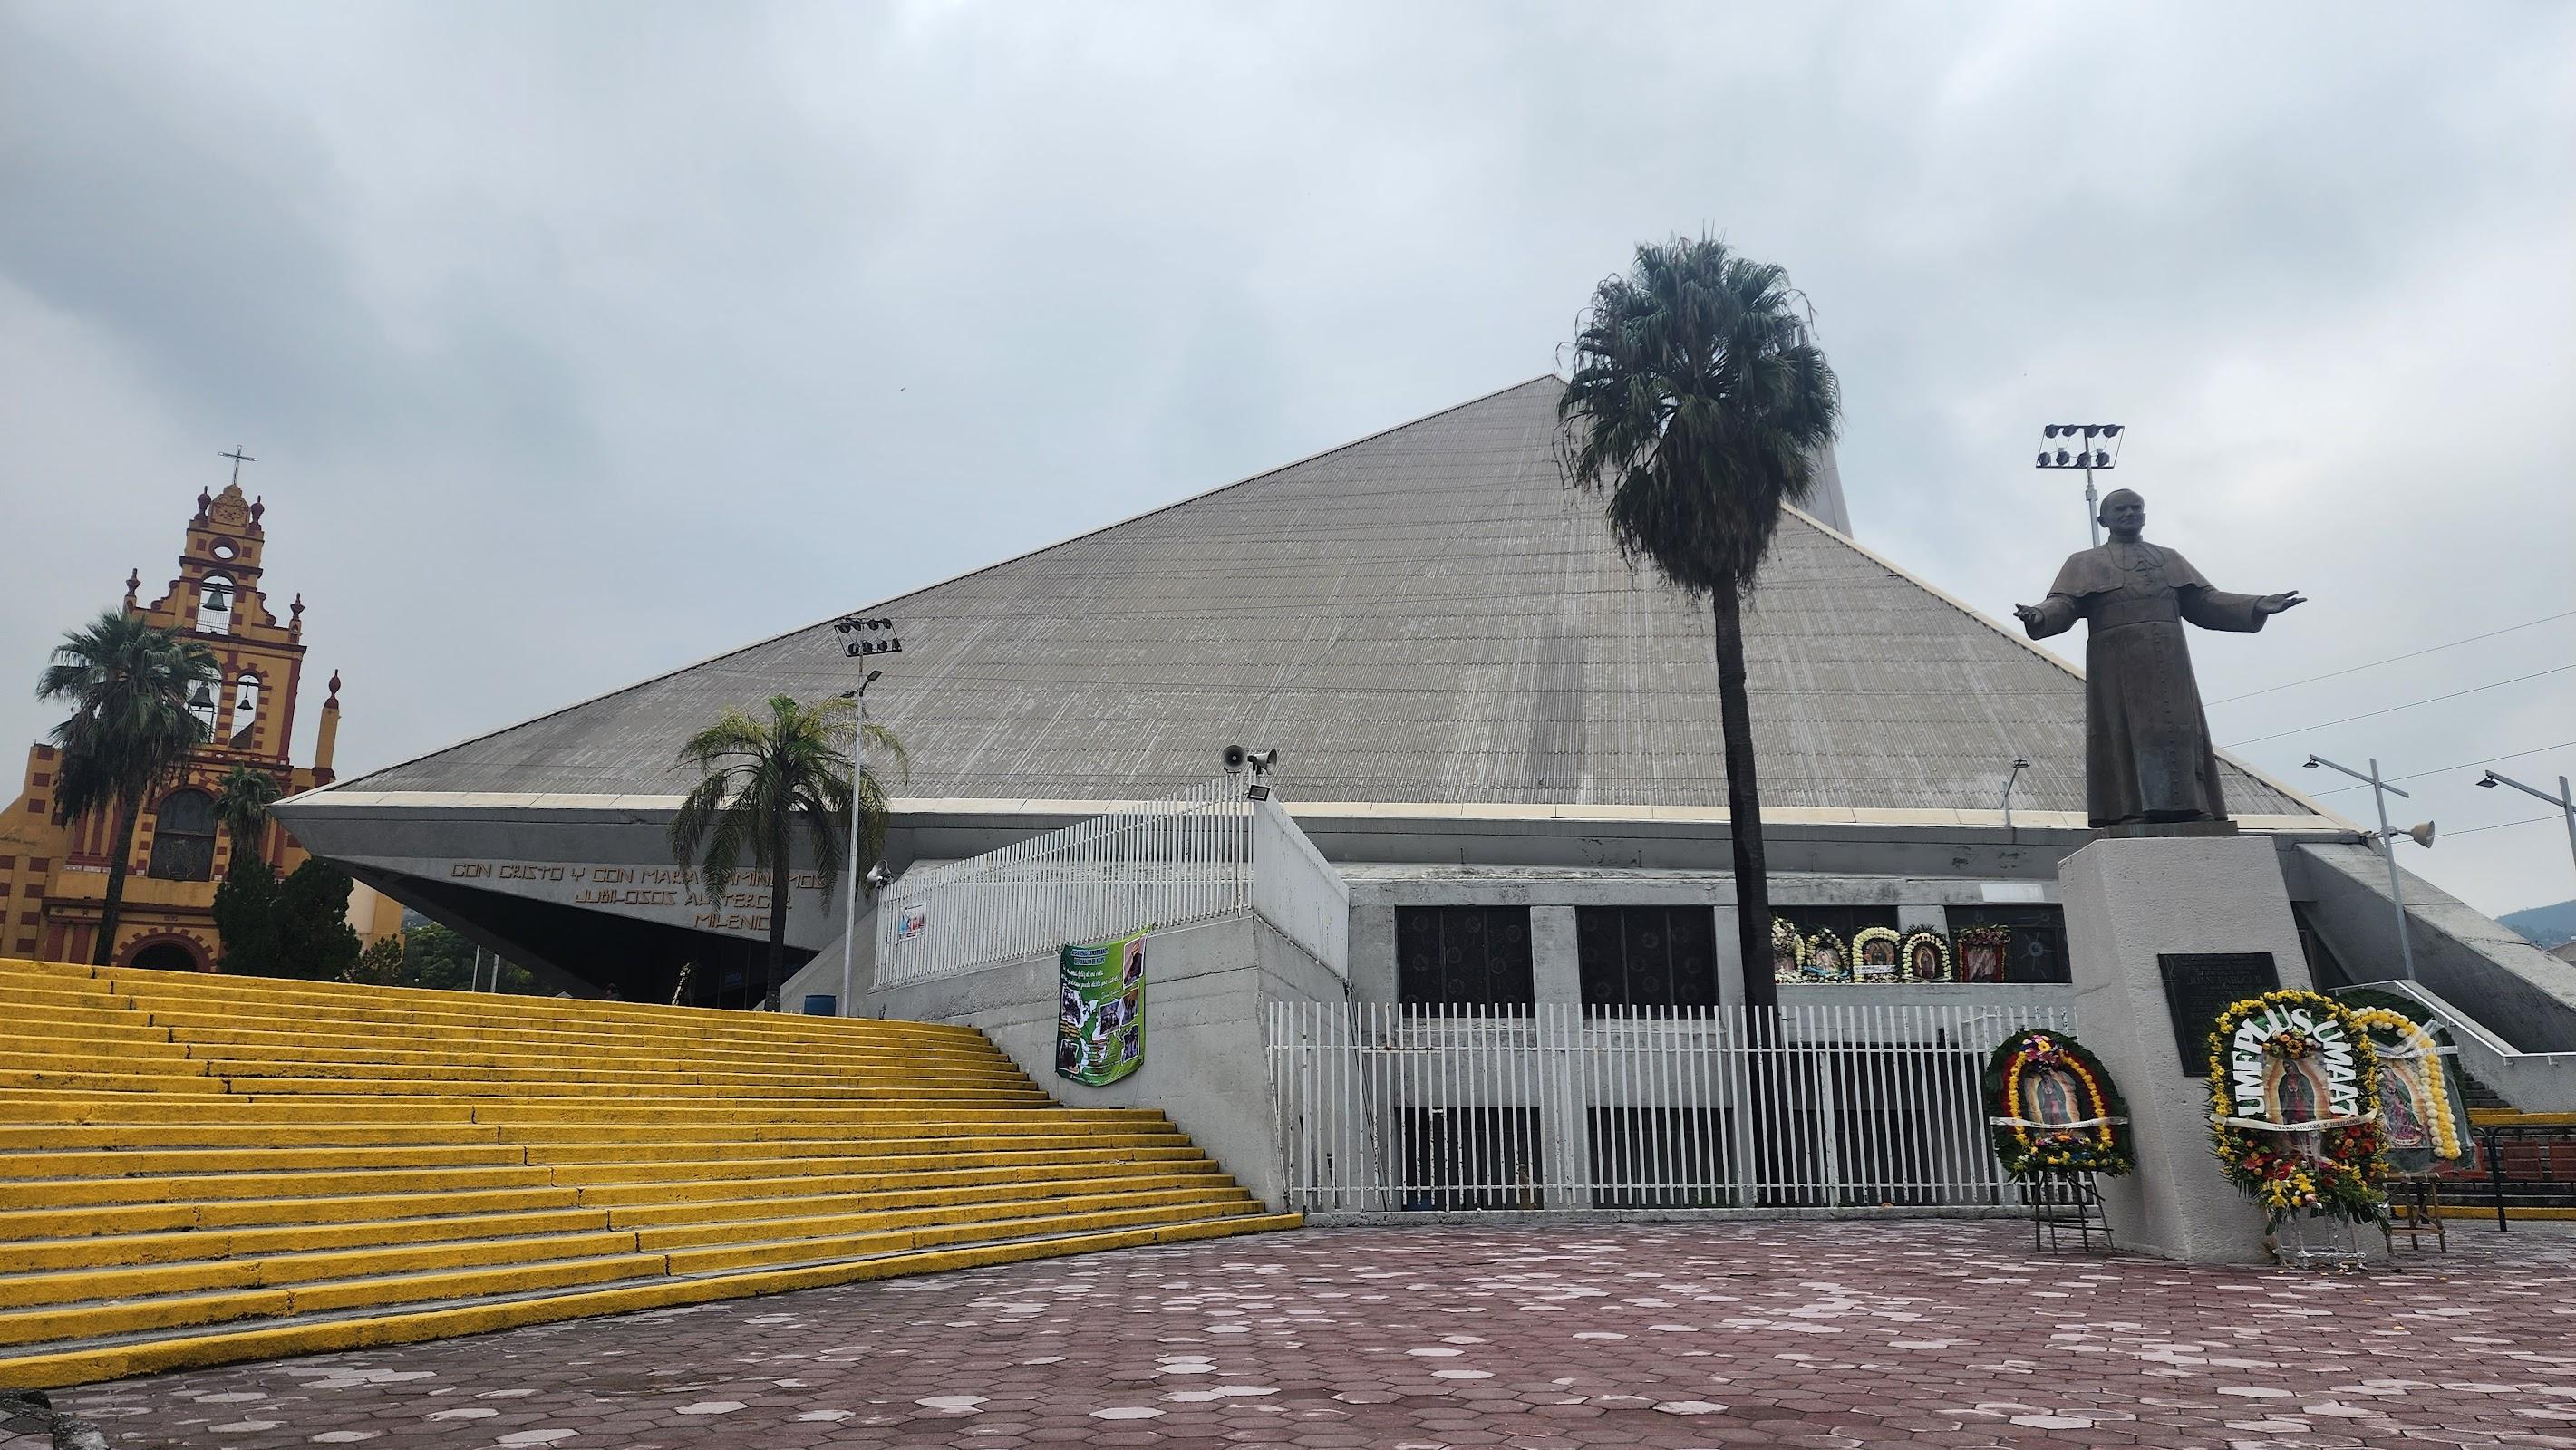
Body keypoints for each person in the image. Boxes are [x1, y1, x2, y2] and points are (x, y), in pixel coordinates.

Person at [2014, 490, 2303, 827]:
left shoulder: (2169, 558)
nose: (2130, 513)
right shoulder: (2084, 563)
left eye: (2137, 508)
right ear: (2103, 519)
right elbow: (2064, 603)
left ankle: (2192, 808)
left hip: (2169, 654)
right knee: (2122, 732)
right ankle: (2129, 810)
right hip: (2116, 661)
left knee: (2180, 729)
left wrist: (2255, 604)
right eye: (2120, 509)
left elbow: (2204, 602)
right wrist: (2038, 615)